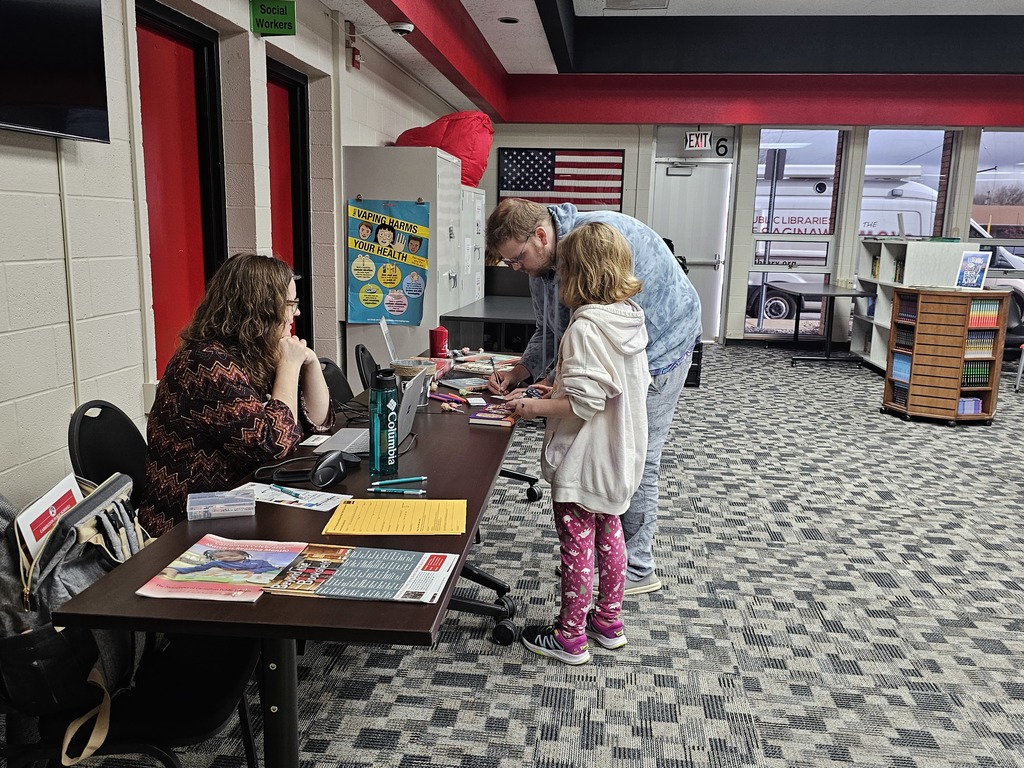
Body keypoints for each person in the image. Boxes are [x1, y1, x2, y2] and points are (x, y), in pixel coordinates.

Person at [485, 198, 702, 595]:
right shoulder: (542, 265)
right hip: (616, 350)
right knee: (598, 457)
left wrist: (560, 393)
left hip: (661, 345)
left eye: (517, 258)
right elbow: (550, 330)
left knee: (632, 456)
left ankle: (636, 567)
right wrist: (522, 371)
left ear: (541, 235)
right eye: (508, 263)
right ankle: (605, 558)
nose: (516, 269)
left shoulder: (596, 243)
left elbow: (603, 337)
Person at [513, 222, 650, 665]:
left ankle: (570, 635)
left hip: (586, 457)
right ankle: (608, 621)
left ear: (576, 273)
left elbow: (582, 404)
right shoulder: (628, 318)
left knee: (576, 542)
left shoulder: (586, 328)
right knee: (610, 534)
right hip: (619, 452)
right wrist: (551, 387)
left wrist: (531, 410)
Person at [139, 253, 333, 535]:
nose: (296, 313)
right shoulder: (205, 363)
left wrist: (310, 362)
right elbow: (273, 444)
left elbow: (317, 425)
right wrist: (290, 366)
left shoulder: (250, 353)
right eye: (290, 304)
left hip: (238, 500)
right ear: (260, 309)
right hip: (186, 524)